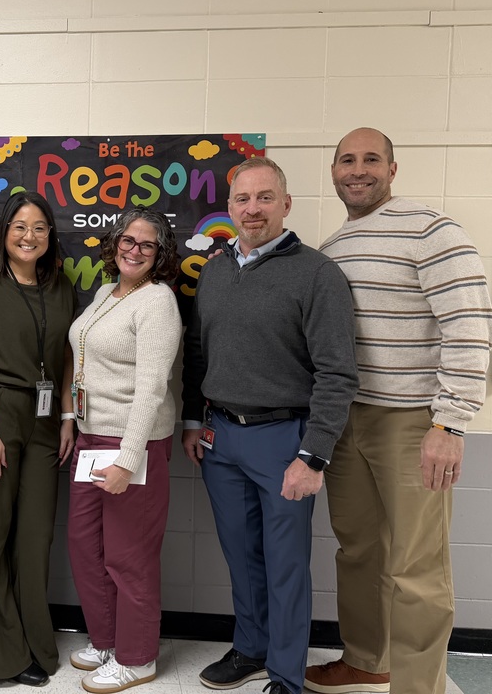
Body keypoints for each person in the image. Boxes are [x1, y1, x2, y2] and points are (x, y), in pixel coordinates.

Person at [304, 128, 492, 694]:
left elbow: (470, 325)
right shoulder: (335, 247)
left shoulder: (432, 229)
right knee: (359, 550)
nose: (356, 170)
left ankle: (418, 686)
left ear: (392, 168)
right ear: (333, 170)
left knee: (418, 568)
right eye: (346, 160)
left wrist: (449, 423)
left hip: (414, 422)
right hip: (347, 418)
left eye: (370, 159)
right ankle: (367, 659)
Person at [182, 156, 358, 694]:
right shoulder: (214, 270)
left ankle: (286, 674)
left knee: (286, 566)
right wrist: (193, 419)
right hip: (220, 438)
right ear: (229, 206)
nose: (252, 209)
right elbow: (196, 354)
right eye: (242, 199)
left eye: (264, 198)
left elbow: (337, 372)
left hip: (286, 439)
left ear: (286, 204)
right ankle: (251, 648)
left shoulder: (317, 274)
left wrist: (314, 454)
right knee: (242, 556)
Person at [0, 190, 77, 686]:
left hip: (47, 420)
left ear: (51, 237)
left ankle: (33, 644)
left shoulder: (62, 287)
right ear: (3, 233)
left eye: (40, 228)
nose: (30, 236)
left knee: (35, 536)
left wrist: (67, 417)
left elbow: (69, 359)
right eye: (20, 227)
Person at [66, 207, 182, 694]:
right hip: (91, 439)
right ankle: (107, 641)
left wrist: (127, 458)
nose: (135, 249)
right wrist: (71, 419)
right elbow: (84, 362)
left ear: (160, 255)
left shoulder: (158, 301)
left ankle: (137, 658)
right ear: (114, 244)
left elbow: (153, 386)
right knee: (85, 546)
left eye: (147, 244)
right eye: (128, 240)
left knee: (128, 556)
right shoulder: (103, 294)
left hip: (133, 443)